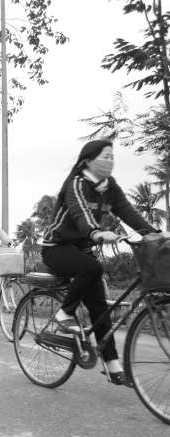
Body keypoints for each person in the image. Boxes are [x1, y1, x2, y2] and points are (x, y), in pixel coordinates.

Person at [42, 139, 160, 386]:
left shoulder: (110, 187)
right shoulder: (76, 183)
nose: (110, 161)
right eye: (105, 156)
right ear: (88, 160)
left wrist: (153, 234)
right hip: (57, 248)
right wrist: (96, 233)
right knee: (93, 267)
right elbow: (79, 211)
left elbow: (127, 211)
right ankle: (64, 313)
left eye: (112, 157)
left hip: (82, 251)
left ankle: (113, 366)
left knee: (100, 309)